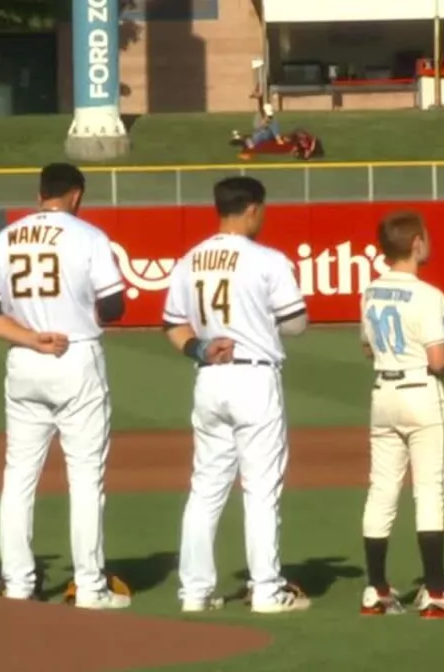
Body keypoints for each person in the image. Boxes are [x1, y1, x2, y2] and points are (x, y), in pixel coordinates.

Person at [0, 163, 129, 608]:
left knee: (19, 477)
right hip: (75, 356)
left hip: (25, 359)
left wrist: (31, 338)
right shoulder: (88, 236)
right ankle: (90, 588)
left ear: (41, 193)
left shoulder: (4, 238)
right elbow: (114, 305)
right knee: (84, 479)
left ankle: (18, 583)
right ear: (75, 195)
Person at [160, 176, 311, 614]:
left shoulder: (190, 259)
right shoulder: (266, 259)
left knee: (205, 488)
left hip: (209, 375)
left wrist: (201, 347)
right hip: (253, 378)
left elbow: (173, 324)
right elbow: (297, 323)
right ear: (252, 209)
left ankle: (195, 592)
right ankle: (266, 589)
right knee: (261, 489)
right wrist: (261, 323)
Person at [357, 211, 444, 619]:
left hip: (383, 392)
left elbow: (368, 348)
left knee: (381, 491)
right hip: (420, 393)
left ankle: (376, 589)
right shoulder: (429, 295)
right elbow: (439, 359)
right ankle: (437, 592)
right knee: (429, 492)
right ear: (415, 244)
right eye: (425, 237)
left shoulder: (371, 290)